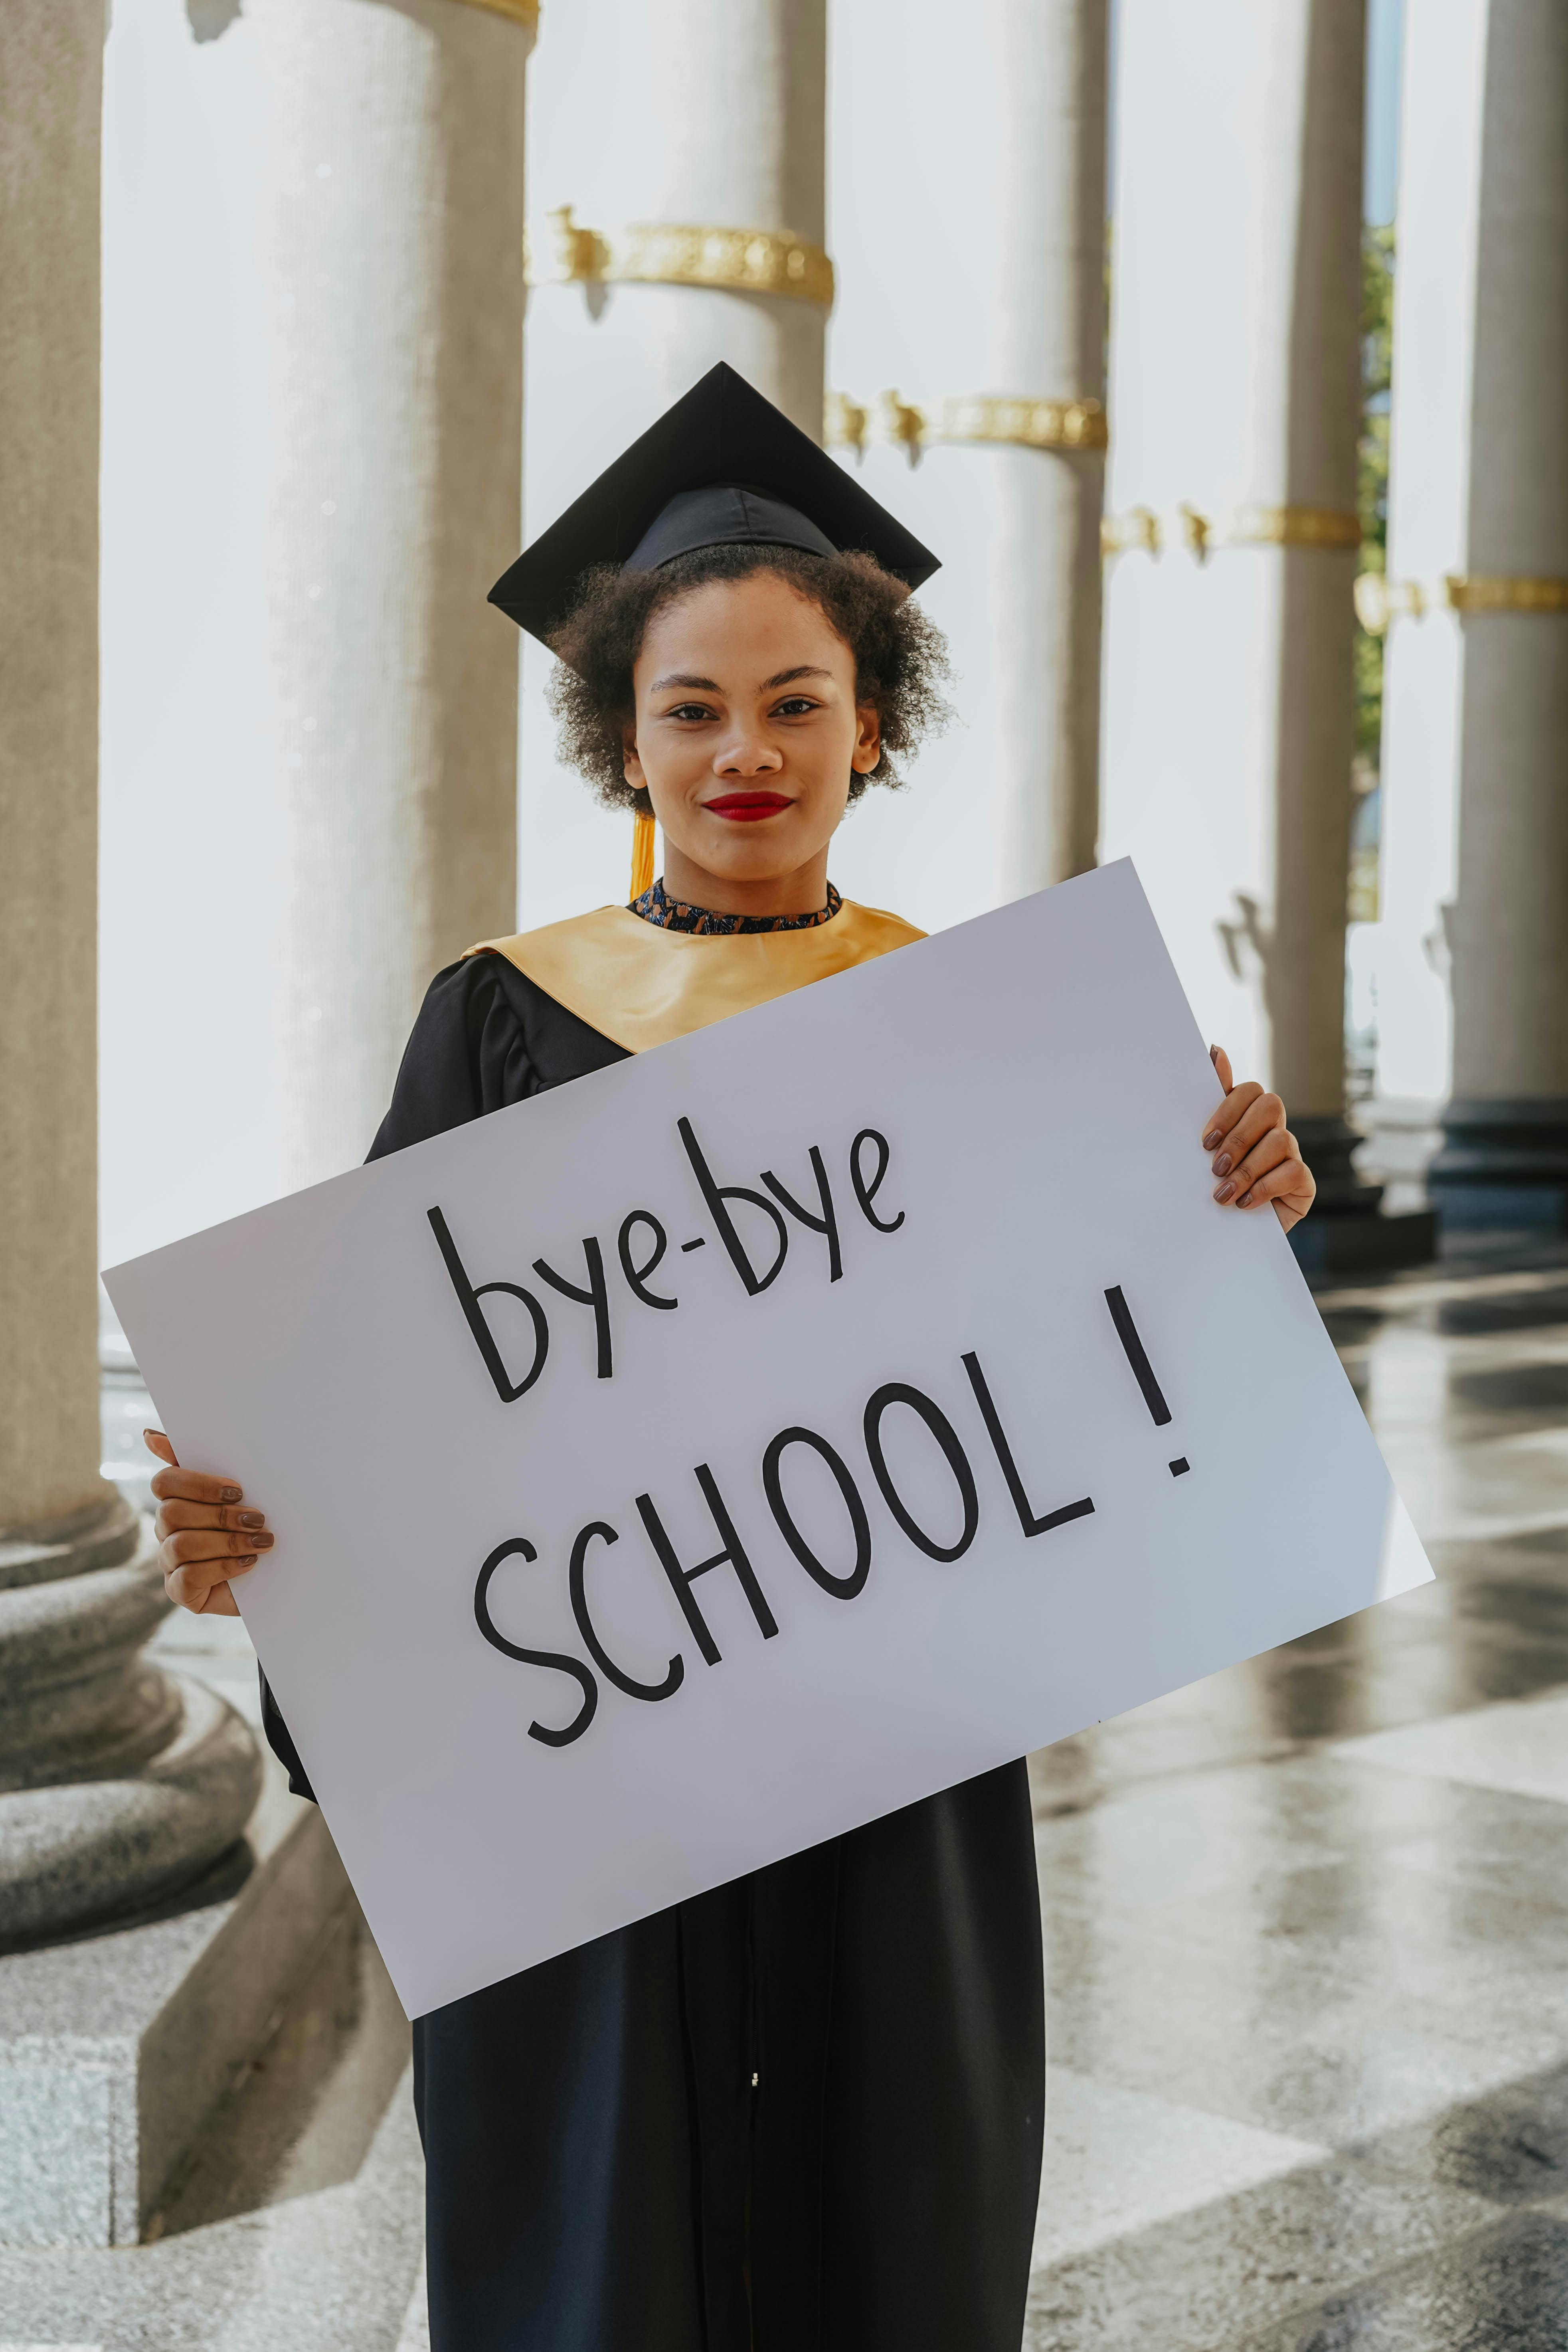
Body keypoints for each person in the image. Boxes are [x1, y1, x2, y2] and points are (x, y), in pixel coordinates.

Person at [144, 364, 1317, 2352]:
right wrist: (250, 1515)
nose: (746, 751)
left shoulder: (973, 1026)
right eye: (691, 709)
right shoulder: (502, 1021)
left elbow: (1104, 1382)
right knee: (603, 2226)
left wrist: (1228, 1203)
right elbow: (380, 1393)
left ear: (875, 724)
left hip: (891, 1748)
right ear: (623, 739)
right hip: (596, 1768)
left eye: (796, 703)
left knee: (884, 2198)